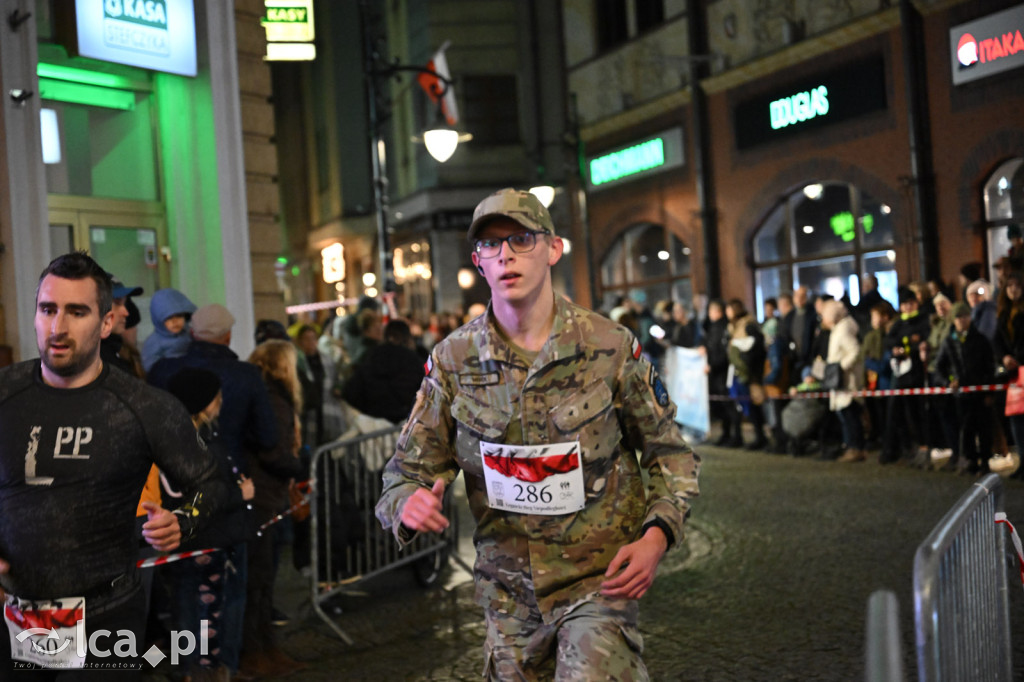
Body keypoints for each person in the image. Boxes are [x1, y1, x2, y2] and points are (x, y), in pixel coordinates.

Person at [375, 188, 701, 680]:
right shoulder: (453, 361)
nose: (505, 254)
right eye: (490, 245)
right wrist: (408, 502)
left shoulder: (609, 347)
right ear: (478, 262)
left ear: (553, 249)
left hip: (597, 586)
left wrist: (657, 535)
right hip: (507, 598)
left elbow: (669, 454)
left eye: (521, 239)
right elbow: (405, 472)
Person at [0, 252, 225, 679]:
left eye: (77, 311)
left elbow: (211, 484)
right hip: (17, 617)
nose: (58, 327)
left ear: (106, 323)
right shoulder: (5, 393)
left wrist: (183, 521)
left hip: (105, 616)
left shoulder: (146, 406)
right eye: (48, 309)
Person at [164, 367, 254, 682]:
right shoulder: (205, 444)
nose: (222, 401)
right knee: (211, 607)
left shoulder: (168, 438)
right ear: (204, 403)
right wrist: (240, 492)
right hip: (211, 536)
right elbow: (208, 496)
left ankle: (181, 668)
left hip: (183, 538)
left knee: (183, 603)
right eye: (217, 396)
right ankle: (209, 669)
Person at [242, 340, 307, 678]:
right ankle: (257, 651)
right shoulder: (274, 400)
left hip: (265, 495)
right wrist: (298, 466)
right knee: (259, 578)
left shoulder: (260, 392)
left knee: (262, 577)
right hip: (264, 495)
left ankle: (265, 647)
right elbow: (273, 450)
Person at [934, 302, 995, 475]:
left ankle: (985, 461)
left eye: (964, 316)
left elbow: (989, 366)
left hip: (980, 392)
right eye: (958, 317)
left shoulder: (981, 340)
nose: (961, 320)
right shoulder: (949, 342)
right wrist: (948, 382)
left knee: (984, 429)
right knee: (966, 429)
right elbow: (939, 368)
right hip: (961, 395)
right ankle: (971, 461)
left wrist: (989, 391)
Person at [342, 318, 425, 424]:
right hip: (406, 423)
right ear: (407, 338)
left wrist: (368, 409)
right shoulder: (412, 360)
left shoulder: (372, 357)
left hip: (376, 423)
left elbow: (350, 392)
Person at [821, 300, 866, 463]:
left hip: (847, 382)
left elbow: (855, 350)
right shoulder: (840, 329)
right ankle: (851, 446)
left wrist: (841, 368)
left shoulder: (842, 331)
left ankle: (856, 448)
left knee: (850, 415)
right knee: (846, 415)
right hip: (844, 382)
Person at [725, 298, 768, 450]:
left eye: (729, 309)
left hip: (749, 373)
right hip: (739, 372)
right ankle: (758, 437)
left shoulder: (748, 326)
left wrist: (745, 361)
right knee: (744, 405)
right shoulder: (734, 326)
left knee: (754, 406)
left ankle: (761, 437)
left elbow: (756, 348)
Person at [141, 287, 197, 372]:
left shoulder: (190, 333)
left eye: (179, 316)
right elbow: (150, 367)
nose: (175, 321)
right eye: (169, 318)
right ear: (159, 320)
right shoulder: (154, 342)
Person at [99, 276, 144, 377]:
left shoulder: (118, 348)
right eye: (117, 303)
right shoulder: (96, 359)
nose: (126, 313)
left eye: (125, 304)